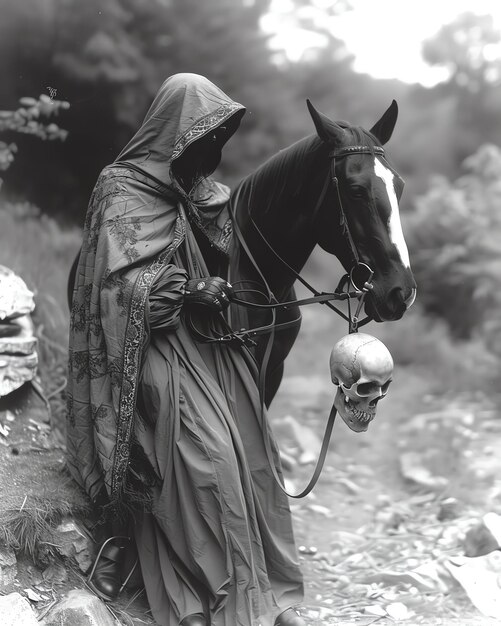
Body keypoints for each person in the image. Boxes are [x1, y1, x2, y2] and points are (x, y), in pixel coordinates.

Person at [66, 73, 306, 626]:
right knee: (211, 458)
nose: (216, 151)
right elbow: (111, 289)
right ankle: (205, 593)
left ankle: (264, 594)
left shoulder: (201, 194)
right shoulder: (120, 187)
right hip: (145, 344)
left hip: (205, 341)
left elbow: (226, 258)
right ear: (178, 131)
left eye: (221, 139)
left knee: (252, 447)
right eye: (208, 138)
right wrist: (186, 289)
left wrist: (216, 277)